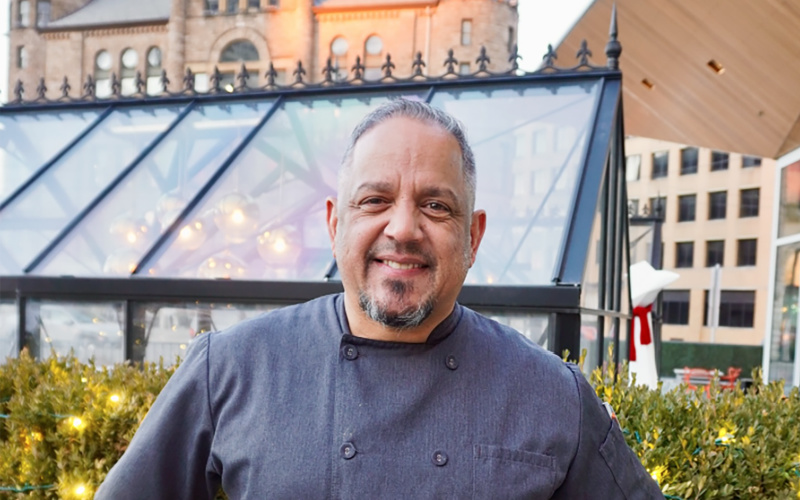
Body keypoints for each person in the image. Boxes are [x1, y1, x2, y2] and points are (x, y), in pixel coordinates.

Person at [96, 99, 663, 499]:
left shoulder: (551, 393)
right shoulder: (231, 368)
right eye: (375, 200)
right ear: (334, 222)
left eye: (436, 206)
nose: (404, 228)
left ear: (474, 237)